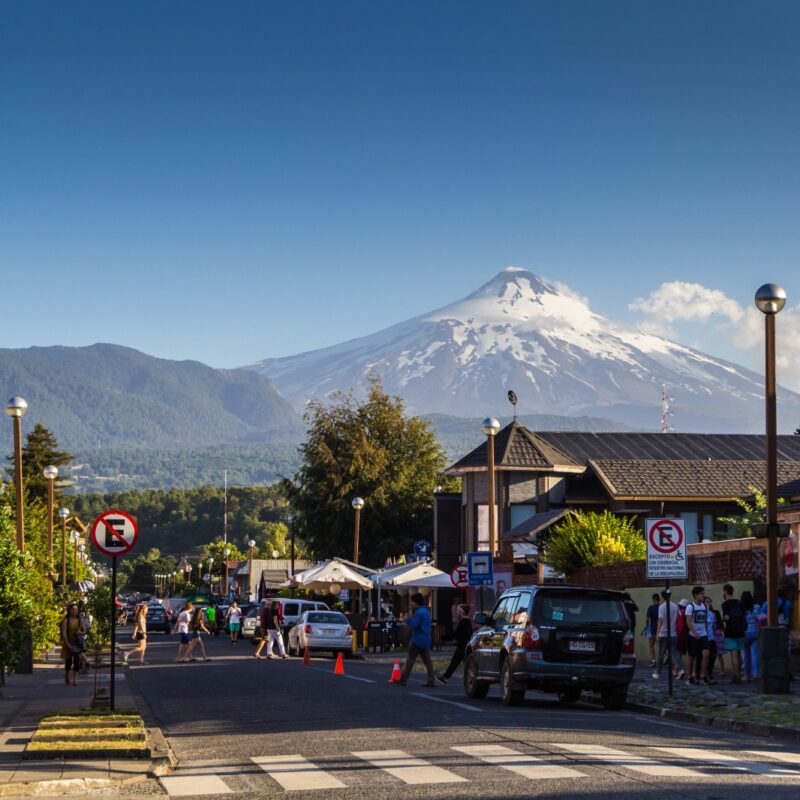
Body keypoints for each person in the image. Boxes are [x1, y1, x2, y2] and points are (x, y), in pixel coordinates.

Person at [395, 593, 436, 687]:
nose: (411, 603)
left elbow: (414, 625)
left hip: (418, 639)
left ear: (416, 602)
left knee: (410, 660)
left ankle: (403, 679)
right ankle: (431, 679)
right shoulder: (426, 611)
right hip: (426, 638)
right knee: (427, 661)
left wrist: (407, 619)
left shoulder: (419, 612)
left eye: (412, 601)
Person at [437, 604, 473, 684]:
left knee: (456, 662)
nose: (456, 612)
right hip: (464, 644)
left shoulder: (464, 622)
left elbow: (456, 634)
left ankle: (445, 677)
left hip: (462, 645)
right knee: (462, 663)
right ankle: (445, 677)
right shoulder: (467, 621)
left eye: (458, 610)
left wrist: (444, 638)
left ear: (461, 612)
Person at [652, 591, 683, 680]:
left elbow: (660, 620)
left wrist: (657, 633)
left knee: (661, 654)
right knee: (674, 653)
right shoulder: (675, 606)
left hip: (664, 633)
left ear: (662, 597)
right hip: (673, 633)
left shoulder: (662, 607)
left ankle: (658, 673)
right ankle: (681, 669)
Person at [685, 586, 712, 685]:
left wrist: (705, 631)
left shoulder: (705, 606)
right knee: (691, 657)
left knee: (706, 654)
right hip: (693, 635)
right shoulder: (690, 607)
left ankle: (702, 676)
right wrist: (694, 632)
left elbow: (705, 620)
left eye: (703, 593)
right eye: (701, 594)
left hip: (703, 634)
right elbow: (688, 621)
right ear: (696, 595)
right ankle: (690, 677)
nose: (703, 595)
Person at [721, 583, 746, 683]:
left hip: (730, 631)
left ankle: (736, 675)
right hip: (740, 631)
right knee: (739, 654)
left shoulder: (725, 604)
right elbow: (744, 615)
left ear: (725, 592)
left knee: (734, 655)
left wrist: (722, 619)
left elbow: (726, 617)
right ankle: (739, 672)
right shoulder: (740, 602)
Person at [60, 603, 86, 686]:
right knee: (68, 661)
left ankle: (75, 679)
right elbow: (63, 634)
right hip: (68, 642)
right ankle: (67, 676)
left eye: (76, 609)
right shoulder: (66, 620)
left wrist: (80, 632)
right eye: (72, 609)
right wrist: (67, 644)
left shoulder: (79, 620)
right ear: (69, 610)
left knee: (77, 661)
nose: (74, 611)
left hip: (77, 642)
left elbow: (84, 630)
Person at [741, 590, 760, 682]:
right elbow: (760, 618)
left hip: (744, 633)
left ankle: (746, 675)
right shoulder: (756, 607)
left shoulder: (741, 608)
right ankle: (756, 674)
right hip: (755, 632)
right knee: (755, 655)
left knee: (745, 656)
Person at [644, 593, 660, 668]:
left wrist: (647, 628)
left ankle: (653, 661)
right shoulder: (662, 607)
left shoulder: (650, 608)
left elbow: (647, 619)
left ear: (653, 599)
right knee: (663, 645)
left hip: (653, 629)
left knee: (651, 645)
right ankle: (665, 658)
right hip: (662, 629)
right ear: (659, 599)